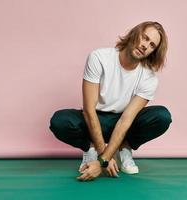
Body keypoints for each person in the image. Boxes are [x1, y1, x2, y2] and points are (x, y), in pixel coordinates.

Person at [49, 21, 172, 181]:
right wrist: (102, 156)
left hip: (123, 123)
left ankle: (124, 148)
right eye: (144, 38)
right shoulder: (99, 57)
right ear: (135, 33)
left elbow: (126, 120)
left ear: (153, 52)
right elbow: (88, 110)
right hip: (94, 118)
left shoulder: (149, 78)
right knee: (60, 121)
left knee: (162, 116)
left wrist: (102, 162)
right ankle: (90, 149)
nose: (145, 45)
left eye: (152, 45)